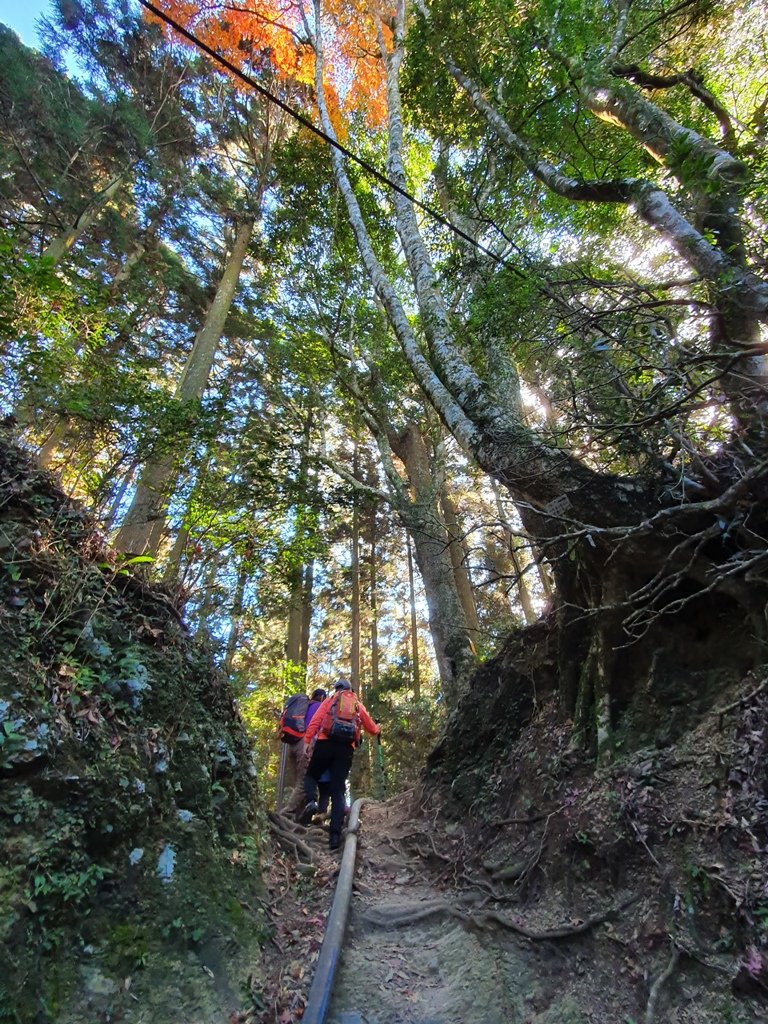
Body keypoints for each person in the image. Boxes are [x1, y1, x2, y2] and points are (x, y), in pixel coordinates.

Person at [301, 679, 380, 850]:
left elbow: (316, 720)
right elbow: (371, 727)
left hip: (325, 743)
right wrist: (377, 729)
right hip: (345, 749)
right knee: (338, 790)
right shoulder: (356, 703)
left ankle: (311, 802)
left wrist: (307, 741)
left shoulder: (331, 700)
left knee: (311, 775)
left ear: (336, 689)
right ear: (350, 690)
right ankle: (335, 837)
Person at [283, 687, 327, 818]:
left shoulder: (305, 707)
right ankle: (285, 814)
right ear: (322, 697)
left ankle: (299, 818)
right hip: (304, 745)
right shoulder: (320, 707)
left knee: (298, 783)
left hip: (292, 745)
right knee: (303, 783)